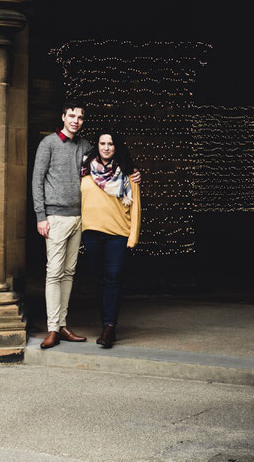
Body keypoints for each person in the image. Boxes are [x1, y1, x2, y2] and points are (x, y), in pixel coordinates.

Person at [32, 102, 140, 350]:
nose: (75, 120)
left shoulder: (85, 147)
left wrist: (135, 173)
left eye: (80, 117)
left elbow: (109, 167)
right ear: (63, 116)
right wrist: (41, 216)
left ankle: (62, 324)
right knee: (54, 272)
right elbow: (37, 181)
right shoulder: (48, 143)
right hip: (55, 217)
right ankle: (52, 329)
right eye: (71, 115)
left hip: (80, 219)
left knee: (69, 272)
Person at [80, 131, 141, 349]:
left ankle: (109, 327)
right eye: (102, 143)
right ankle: (105, 321)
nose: (106, 147)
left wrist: (132, 236)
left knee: (113, 278)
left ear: (117, 147)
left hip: (118, 233)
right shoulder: (84, 172)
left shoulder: (128, 174)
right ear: (97, 146)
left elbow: (136, 208)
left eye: (111, 144)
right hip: (91, 232)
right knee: (99, 280)